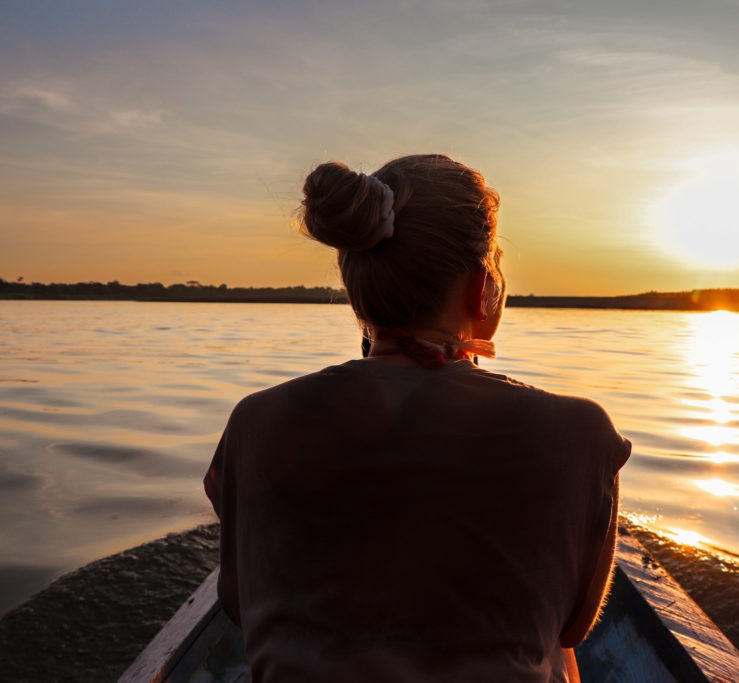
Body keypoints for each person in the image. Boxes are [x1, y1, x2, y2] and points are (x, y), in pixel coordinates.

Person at [204, 154, 631, 682]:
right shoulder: (579, 435)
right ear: (481, 288)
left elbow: (238, 604)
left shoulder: (254, 424)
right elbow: (572, 629)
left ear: (358, 283)